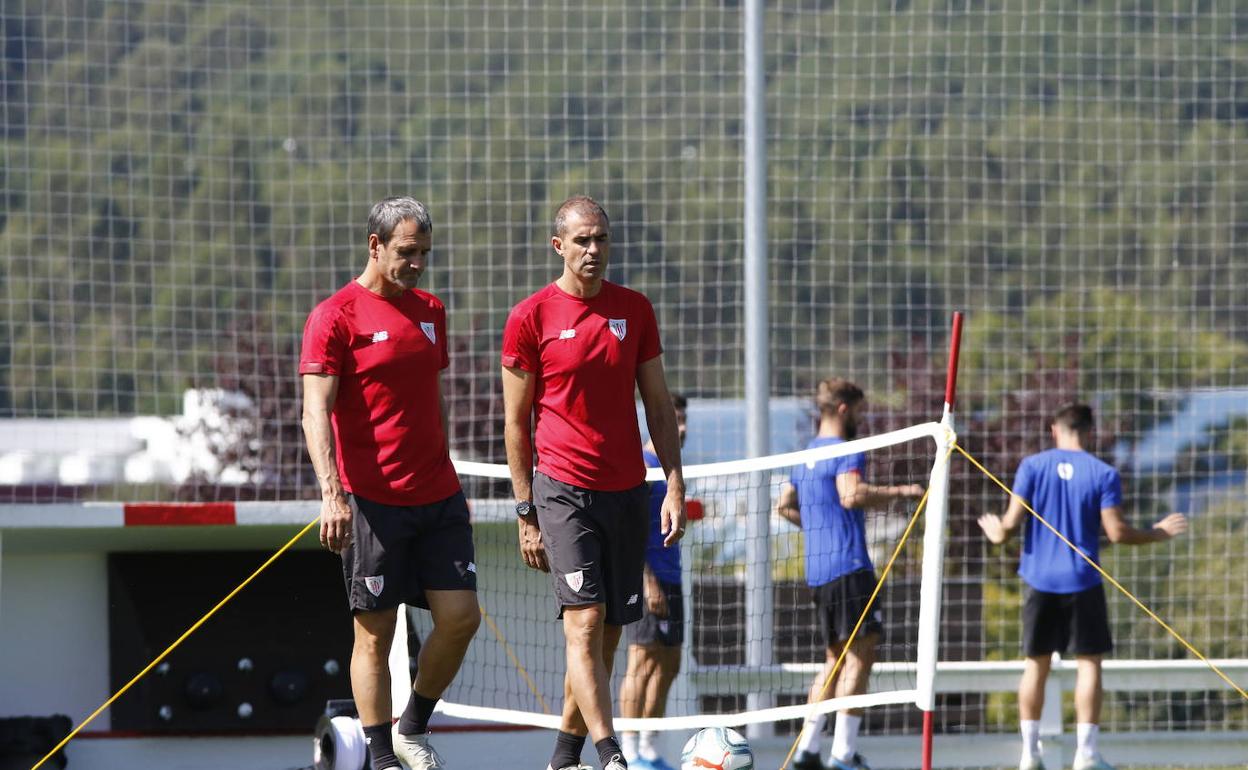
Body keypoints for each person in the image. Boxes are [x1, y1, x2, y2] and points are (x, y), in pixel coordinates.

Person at [501, 195, 686, 770]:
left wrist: (674, 484)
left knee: (607, 637)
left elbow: (657, 405)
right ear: (559, 246)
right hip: (562, 491)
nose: (593, 249)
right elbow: (515, 422)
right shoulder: (530, 317)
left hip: (628, 492)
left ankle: (564, 756)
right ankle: (612, 755)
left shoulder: (634, 309)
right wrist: (525, 510)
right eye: (582, 240)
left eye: (601, 239)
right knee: (581, 625)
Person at [301, 197, 481, 770]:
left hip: (438, 497)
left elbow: (431, 403)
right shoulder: (335, 316)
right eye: (407, 252)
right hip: (371, 502)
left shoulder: (431, 309)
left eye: (425, 253)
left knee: (461, 619)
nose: (418, 264)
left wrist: (451, 475)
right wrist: (333, 494)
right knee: (374, 637)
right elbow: (314, 413)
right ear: (374, 245)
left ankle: (412, 727)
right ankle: (380, 757)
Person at [977, 403, 1187, 770]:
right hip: (1082, 580)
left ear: (1054, 429)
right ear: (1089, 432)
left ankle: (1030, 753)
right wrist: (1157, 533)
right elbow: (1117, 533)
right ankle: (1086, 755)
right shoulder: (1103, 472)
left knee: (1035, 665)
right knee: (1089, 665)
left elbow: (1008, 525)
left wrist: (997, 534)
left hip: (1038, 581)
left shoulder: (1032, 465)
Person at [775, 378, 925, 770]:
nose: (863, 418)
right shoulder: (846, 450)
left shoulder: (804, 455)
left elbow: (784, 506)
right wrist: (904, 492)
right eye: (860, 411)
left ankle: (808, 751)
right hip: (848, 567)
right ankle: (842, 754)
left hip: (819, 573)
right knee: (861, 656)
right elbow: (851, 494)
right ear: (843, 409)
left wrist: (818, 526)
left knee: (834, 659)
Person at [618, 393, 689, 770]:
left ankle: (648, 746)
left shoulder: (671, 469)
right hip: (647, 580)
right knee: (641, 661)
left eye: (685, 419)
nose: (682, 427)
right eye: (676, 419)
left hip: (672, 576)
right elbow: (628, 532)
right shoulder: (642, 467)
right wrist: (647, 581)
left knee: (671, 662)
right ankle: (627, 748)